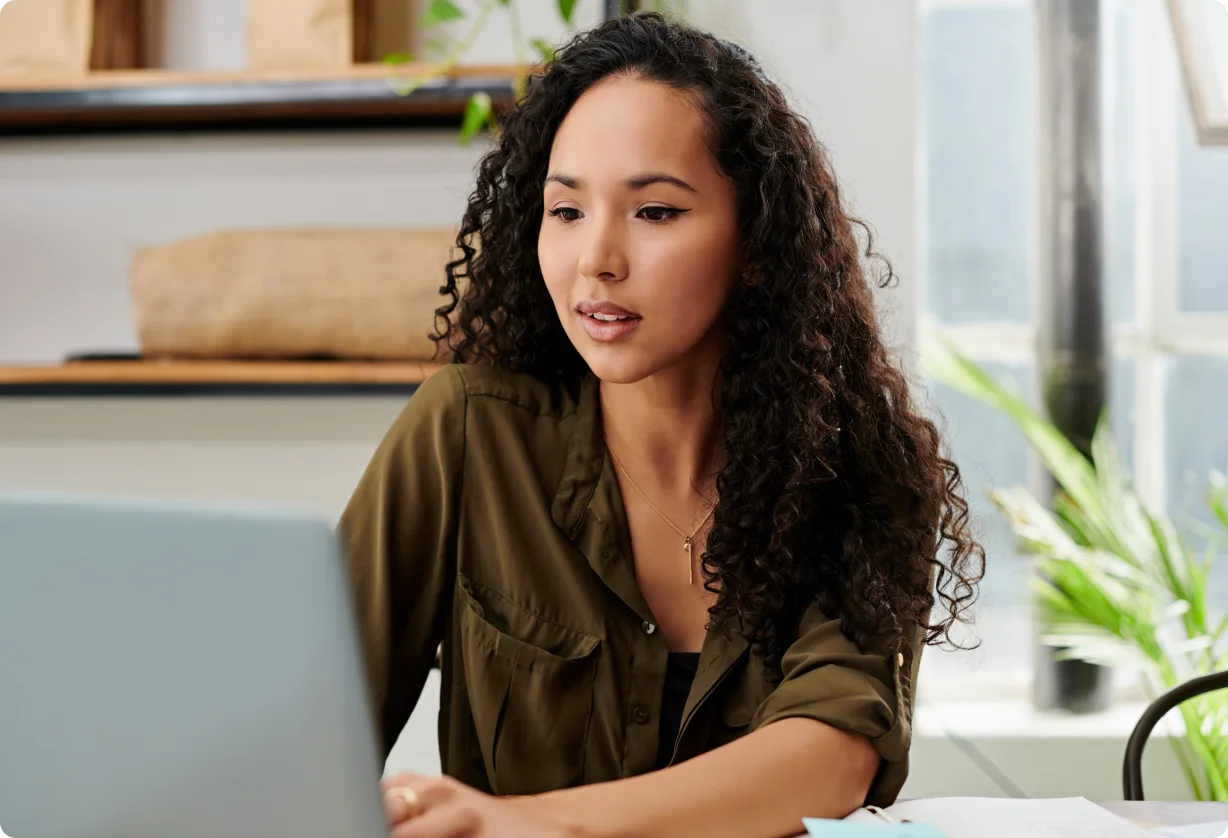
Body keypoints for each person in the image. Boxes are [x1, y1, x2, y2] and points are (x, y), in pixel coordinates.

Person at [340, 12, 983, 838]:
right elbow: (304, 731)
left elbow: (830, 759)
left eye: (654, 213)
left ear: (756, 240)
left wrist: (517, 825)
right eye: (566, 210)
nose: (596, 259)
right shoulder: (466, 434)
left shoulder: (863, 473)